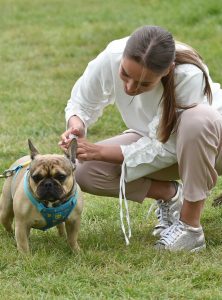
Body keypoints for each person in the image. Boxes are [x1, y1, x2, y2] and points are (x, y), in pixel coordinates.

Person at [59, 25, 222, 251]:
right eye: (125, 75)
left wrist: (103, 151)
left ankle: (190, 228)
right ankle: (171, 196)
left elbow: (169, 147)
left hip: (211, 148)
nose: (129, 87)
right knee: (85, 170)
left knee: (198, 119)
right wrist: (76, 124)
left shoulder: (188, 74)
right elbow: (82, 102)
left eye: (144, 84)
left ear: (167, 70)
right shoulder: (113, 55)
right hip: (156, 140)